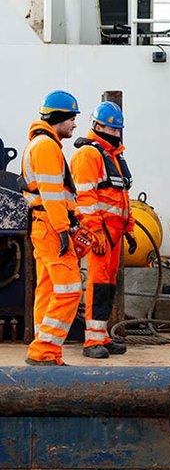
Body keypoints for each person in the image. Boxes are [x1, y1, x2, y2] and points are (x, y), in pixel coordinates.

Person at [19, 90, 82, 366]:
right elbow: (52, 194)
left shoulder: (41, 144)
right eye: (72, 119)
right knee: (69, 289)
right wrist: (63, 230)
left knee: (47, 289)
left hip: (44, 227)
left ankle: (43, 351)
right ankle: (44, 349)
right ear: (61, 117)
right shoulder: (45, 147)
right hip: (51, 227)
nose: (74, 125)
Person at [70, 101, 134, 359]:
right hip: (101, 234)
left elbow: (122, 198)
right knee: (97, 285)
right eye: (109, 128)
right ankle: (91, 341)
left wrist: (128, 228)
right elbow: (85, 199)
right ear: (96, 126)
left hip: (114, 234)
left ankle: (102, 336)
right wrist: (95, 232)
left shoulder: (115, 157)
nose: (114, 133)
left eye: (117, 130)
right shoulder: (89, 155)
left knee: (107, 286)